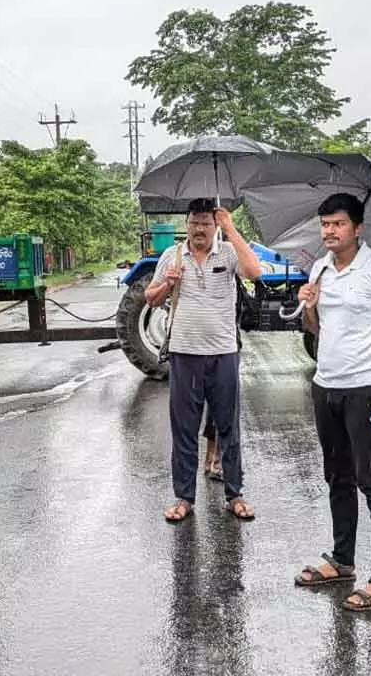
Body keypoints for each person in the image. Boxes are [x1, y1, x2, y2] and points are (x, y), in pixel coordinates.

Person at [292, 192, 371, 612]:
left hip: (368, 389)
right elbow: (317, 329)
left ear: (357, 228)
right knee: (337, 476)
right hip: (327, 386)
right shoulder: (320, 268)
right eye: (324, 224)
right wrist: (310, 305)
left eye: (337, 223)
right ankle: (342, 560)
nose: (329, 231)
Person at [144, 198, 262, 522]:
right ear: (187, 224)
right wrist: (169, 282)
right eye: (194, 222)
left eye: (205, 223)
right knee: (184, 429)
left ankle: (234, 494)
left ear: (214, 225)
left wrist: (231, 228)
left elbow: (254, 271)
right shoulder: (173, 256)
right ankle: (184, 498)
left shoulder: (227, 252)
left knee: (229, 427)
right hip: (184, 354)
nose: (199, 229)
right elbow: (150, 299)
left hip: (223, 353)